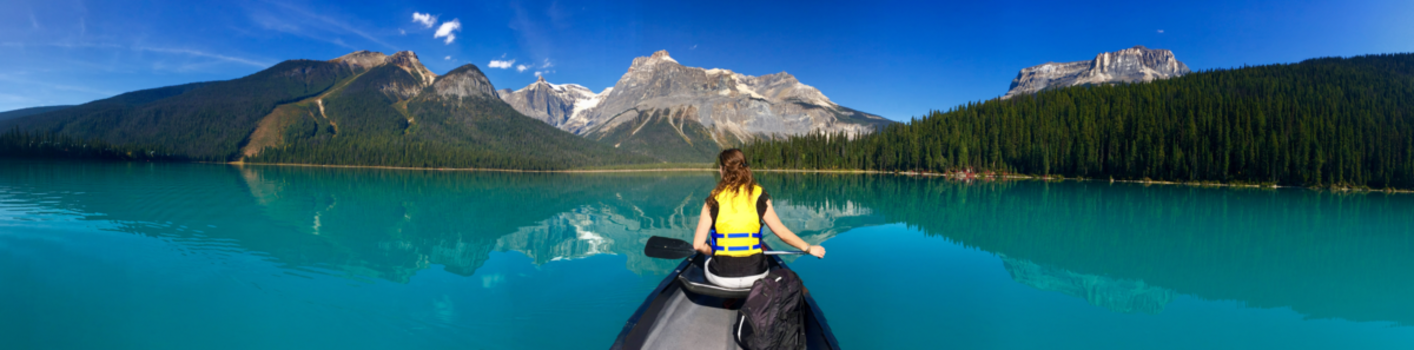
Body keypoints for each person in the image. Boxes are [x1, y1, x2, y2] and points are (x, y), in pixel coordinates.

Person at [693, 148, 825, 289]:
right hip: (755, 275)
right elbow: (781, 232)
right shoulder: (758, 195)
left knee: (707, 256)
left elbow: (698, 245)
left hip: (722, 277)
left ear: (722, 169)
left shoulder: (713, 200)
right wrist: (808, 248)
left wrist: (713, 251)